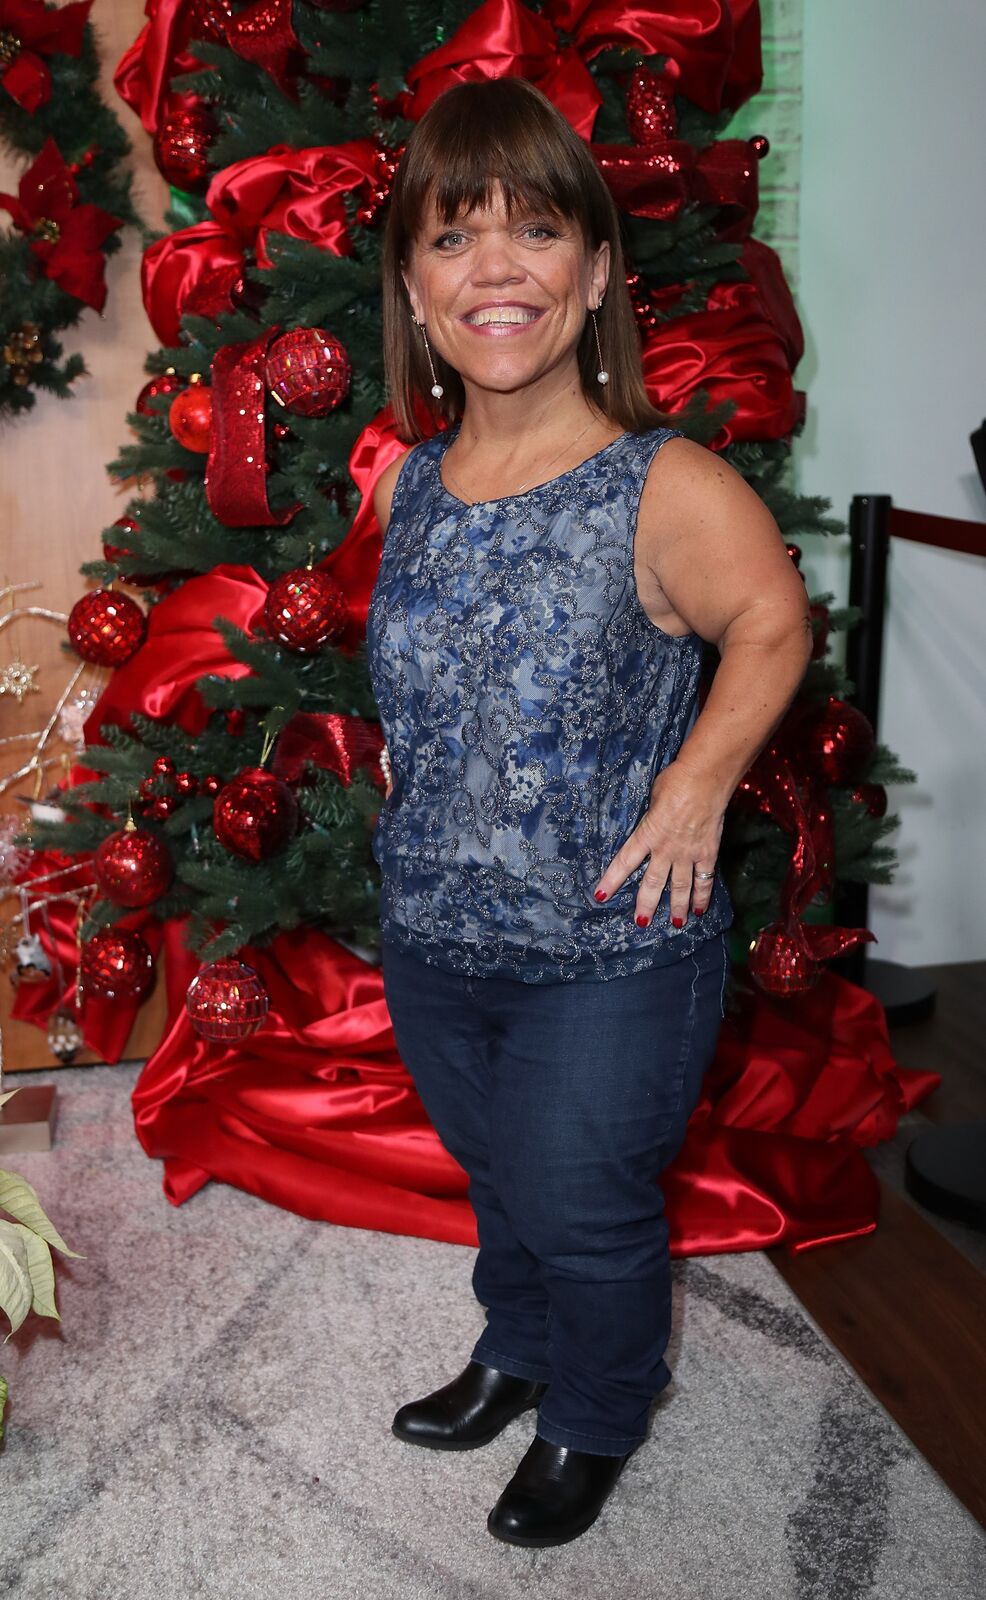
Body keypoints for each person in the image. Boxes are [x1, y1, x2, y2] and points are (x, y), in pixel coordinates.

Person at [365, 77, 812, 1550]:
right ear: (413, 288)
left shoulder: (662, 482)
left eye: (533, 229)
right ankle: (517, 1345)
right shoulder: (409, 486)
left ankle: (597, 1414)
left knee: (585, 1200)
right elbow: (431, 662)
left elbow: (769, 623)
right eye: (451, 238)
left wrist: (695, 784)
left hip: (613, 946)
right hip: (433, 927)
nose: (492, 268)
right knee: (500, 1176)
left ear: (597, 270)